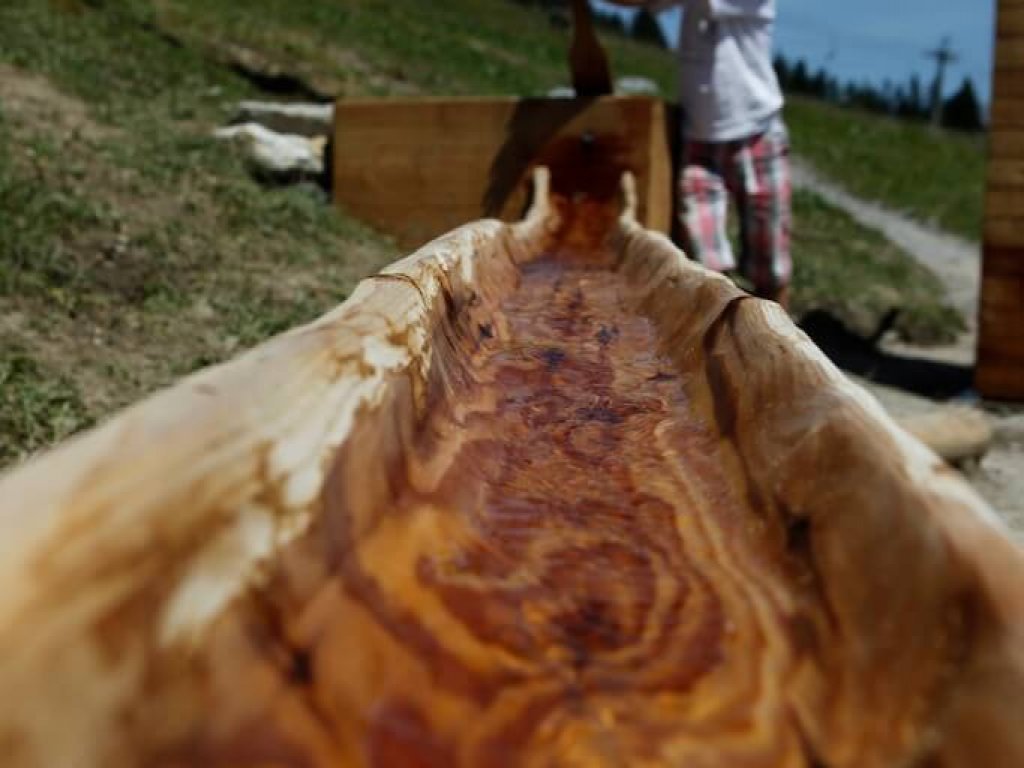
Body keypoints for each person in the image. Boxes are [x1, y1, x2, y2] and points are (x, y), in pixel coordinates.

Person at [601, 0, 792, 308]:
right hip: (701, 141)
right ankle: (717, 342)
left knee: (770, 265)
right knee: (706, 265)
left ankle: (780, 342)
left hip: (757, 134)